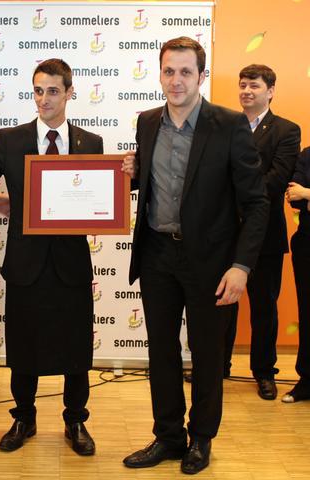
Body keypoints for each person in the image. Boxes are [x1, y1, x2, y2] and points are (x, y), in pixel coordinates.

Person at [121, 37, 269, 474]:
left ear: (201, 76)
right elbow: (156, 183)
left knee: (207, 354)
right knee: (161, 351)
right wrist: (131, 174)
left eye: (186, 72)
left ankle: (201, 439)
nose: (176, 80)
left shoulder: (229, 124)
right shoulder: (147, 122)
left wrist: (241, 266)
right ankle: (168, 437)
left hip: (211, 261)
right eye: (169, 71)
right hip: (156, 254)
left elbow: (256, 203)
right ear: (160, 74)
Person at [0, 58, 102, 456]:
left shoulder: (91, 143)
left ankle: (75, 420)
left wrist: (122, 185)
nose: (44, 99)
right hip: (25, 264)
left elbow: (102, 199)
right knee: (23, 348)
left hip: (71, 264)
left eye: (53, 91)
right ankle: (24, 418)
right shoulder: (10, 139)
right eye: (38, 90)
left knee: (76, 349)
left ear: (69, 92)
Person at [227, 64, 300, 399]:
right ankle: (216, 366)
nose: (246, 91)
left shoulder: (286, 130)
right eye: (243, 85)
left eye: (254, 85)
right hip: (224, 232)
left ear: (270, 91)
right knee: (220, 305)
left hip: (265, 232)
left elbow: (277, 179)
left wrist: (233, 197)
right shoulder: (225, 125)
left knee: (264, 307)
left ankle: (264, 372)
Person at [284, 147, 310, 403]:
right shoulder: (307, 155)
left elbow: (303, 195)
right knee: (307, 312)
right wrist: (302, 195)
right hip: (307, 245)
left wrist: (308, 193)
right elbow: (294, 197)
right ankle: (307, 380)